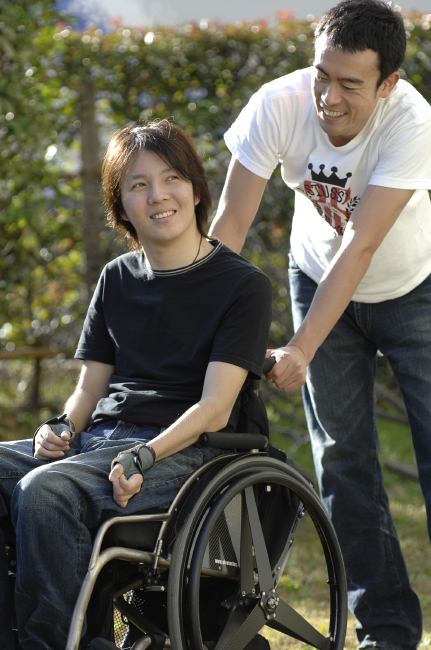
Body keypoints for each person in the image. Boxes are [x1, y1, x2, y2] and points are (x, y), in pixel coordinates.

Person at [0, 119, 272, 650]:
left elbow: (216, 407)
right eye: (139, 184)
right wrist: (60, 427)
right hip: (101, 441)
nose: (158, 195)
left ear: (197, 190)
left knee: (43, 491)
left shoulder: (243, 285)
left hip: (187, 452)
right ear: (120, 205)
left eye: (172, 178)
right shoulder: (117, 277)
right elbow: (89, 389)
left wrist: (145, 456)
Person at [208, 1, 431, 649]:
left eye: (349, 84)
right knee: (341, 459)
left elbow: (361, 245)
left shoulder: (412, 121)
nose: (328, 98)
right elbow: (231, 224)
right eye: (321, 76)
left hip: (412, 288)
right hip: (315, 275)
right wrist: (196, 318)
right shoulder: (278, 104)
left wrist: (301, 347)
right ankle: (385, 630)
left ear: (387, 83)